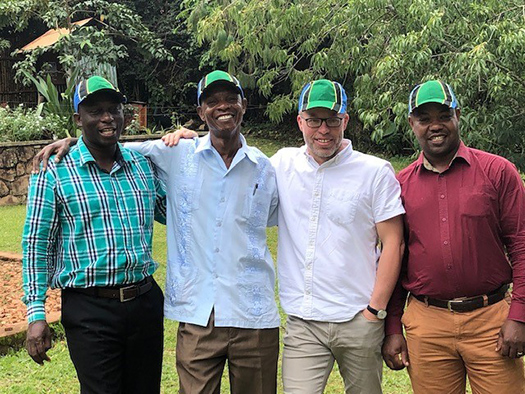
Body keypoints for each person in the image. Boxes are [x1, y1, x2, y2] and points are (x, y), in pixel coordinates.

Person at [34, 70, 280, 394]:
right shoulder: (171, 154)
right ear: (200, 111)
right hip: (161, 311)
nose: (222, 107)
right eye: (212, 101)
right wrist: (72, 143)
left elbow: (175, 207)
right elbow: (37, 243)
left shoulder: (265, 167)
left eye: (230, 99)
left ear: (244, 104)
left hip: (219, 310)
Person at [163, 79, 405, 393]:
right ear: (300, 121)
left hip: (358, 319)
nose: (323, 130)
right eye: (314, 120)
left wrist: (375, 311)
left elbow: (394, 243)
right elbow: (230, 172)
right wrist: (191, 140)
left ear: (345, 120)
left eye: (332, 120)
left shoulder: (374, 172)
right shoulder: (278, 165)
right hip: (303, 323)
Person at [22, 75, 167, 393]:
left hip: (145, 303)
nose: (107, 117)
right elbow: (36, 243)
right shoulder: (55, 171)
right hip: (90, 310)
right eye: (95, 110)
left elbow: (172, 214)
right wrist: (36, 313)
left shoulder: (141, 166)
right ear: (78, 119)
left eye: (114, 109)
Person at [382, 80, 525, 394]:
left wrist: (520, 314)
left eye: (444, 115)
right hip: (427, 324)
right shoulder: (399, 185)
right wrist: (393, 326)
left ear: (458, 115)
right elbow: (395, 258)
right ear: (412, 123)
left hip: (491, 321)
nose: (435, 125)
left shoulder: (499, 172)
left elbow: (521, 243)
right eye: (424, 118)